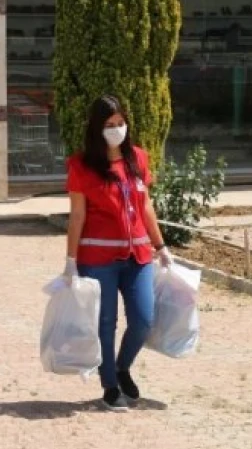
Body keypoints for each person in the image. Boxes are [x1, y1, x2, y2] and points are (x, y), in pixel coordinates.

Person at [63, 94, 173, 412]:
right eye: (109, 124)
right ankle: (109, 383)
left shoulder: (137, 158)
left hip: (137, 256)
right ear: (97, 128)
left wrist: (161, 246)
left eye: (121, 123)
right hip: (98, 260)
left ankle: (122, 366)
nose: (116, 129)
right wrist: (70, 261)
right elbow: (78, 216)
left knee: (143, 319)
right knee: (105, 323)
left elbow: (146, 205)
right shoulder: (81, 166)